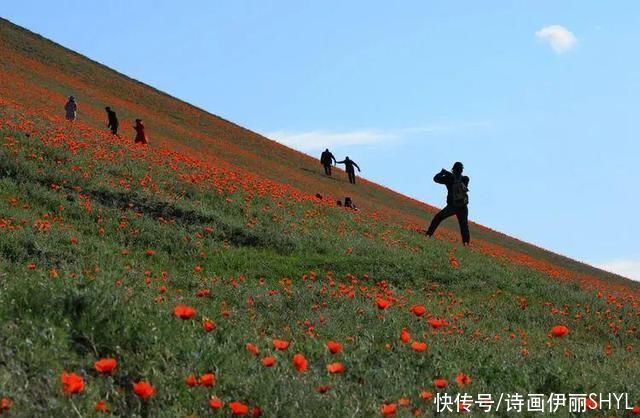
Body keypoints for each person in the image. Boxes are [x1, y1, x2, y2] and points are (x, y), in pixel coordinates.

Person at [425, 162, 470, 245]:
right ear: (461, 170)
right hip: (463, 207)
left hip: (452, 206)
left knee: (438, 218)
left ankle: (428, 234)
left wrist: (442, 173)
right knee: (464, 225)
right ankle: (466, 243)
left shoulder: (449, 178)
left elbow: (436, 179)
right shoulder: (465, 179)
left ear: (453, 169)